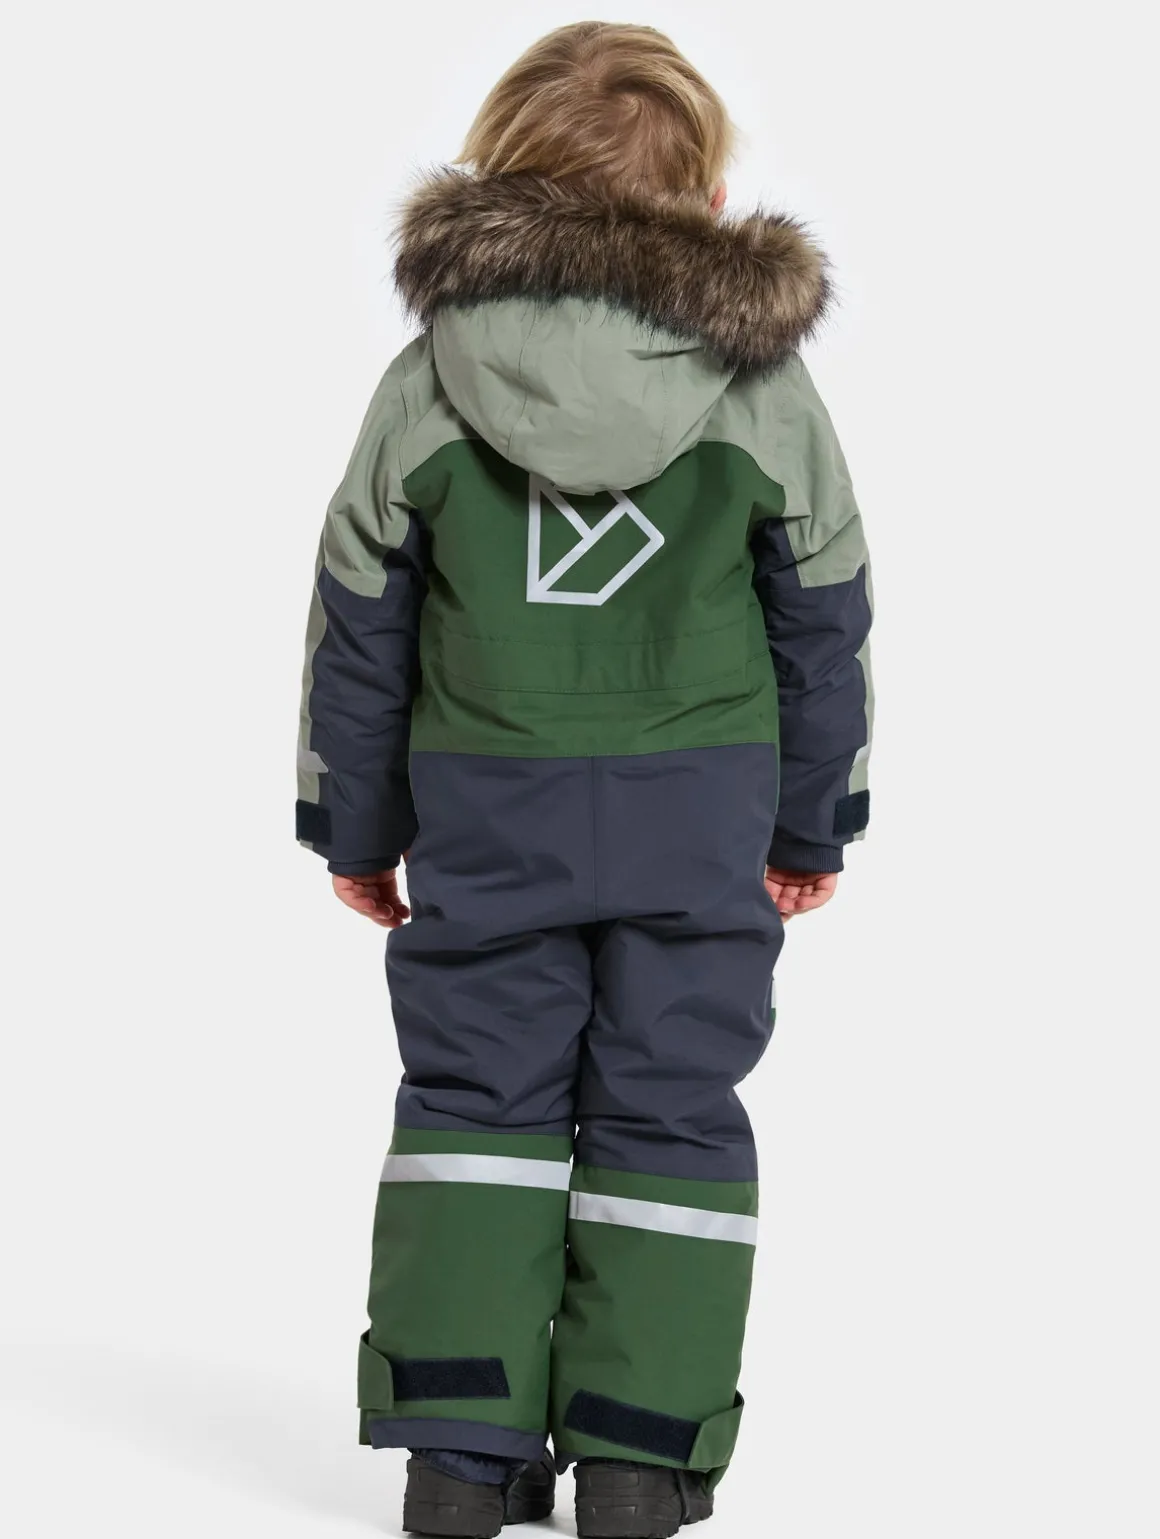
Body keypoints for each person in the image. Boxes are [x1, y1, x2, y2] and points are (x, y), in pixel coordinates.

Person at [296, 21, 873, 1539]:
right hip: (702, 813)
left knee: (475, 1100)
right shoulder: (761, 390)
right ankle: (638, 1456)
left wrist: (355, 825)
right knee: (673, 1106)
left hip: (493, 806)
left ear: (502, 178)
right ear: (706, 196)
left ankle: (457, 1450)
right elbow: (824, 616)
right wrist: (814, 821)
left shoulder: (429, 381)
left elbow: (359, 621)